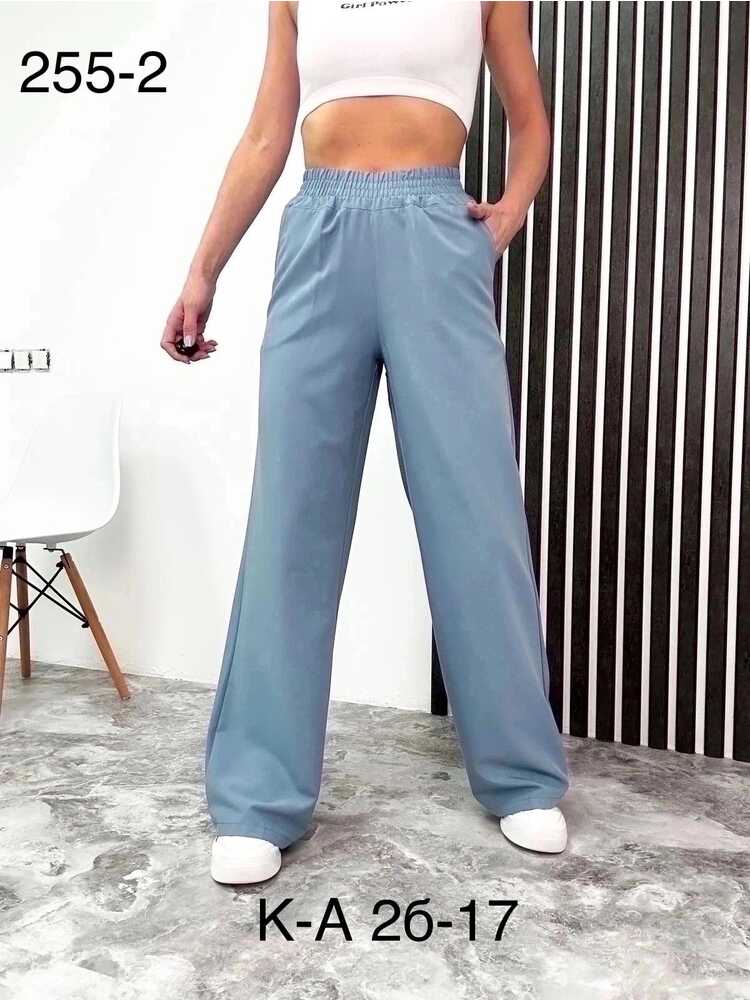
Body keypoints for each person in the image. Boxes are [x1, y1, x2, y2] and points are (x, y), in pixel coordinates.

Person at [161, 0, 570, 886]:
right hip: (320, 235)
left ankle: (521, 775)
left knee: (476, 516)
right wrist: (202, 270)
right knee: (291, 522)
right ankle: (257, 798)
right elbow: (266, 135)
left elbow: (530, 119)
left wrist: (507, 214)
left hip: (435, 231)